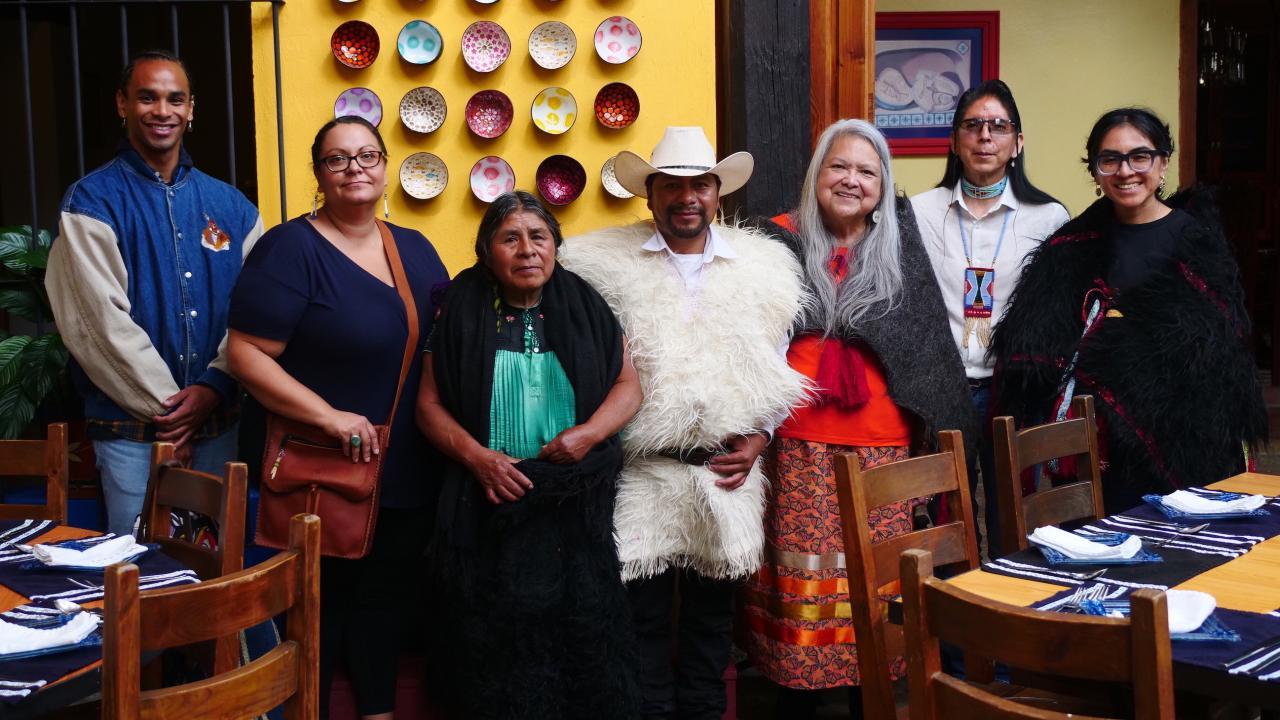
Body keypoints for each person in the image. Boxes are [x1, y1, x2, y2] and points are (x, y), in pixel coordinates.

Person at [559, 126, 810, 720]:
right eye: (671, 185)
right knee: (639, 620)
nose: (686, 197)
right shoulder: (601, 266)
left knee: (708, 624)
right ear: (649, 195)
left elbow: (775, 368)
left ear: (718, 193)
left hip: (725, 470)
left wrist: (759, 437)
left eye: (699, 184)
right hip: (640, 471)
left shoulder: (764, 268)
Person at [741, 119, 973, 719]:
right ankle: (796, 700)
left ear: (883, 183)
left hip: (881, 447)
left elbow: (925, 349)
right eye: (838, 167)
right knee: (802, 586)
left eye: (867, 171)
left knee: (871, 587)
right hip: (794, 443)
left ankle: (862, 700)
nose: (851, 180)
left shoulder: (902, 247)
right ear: (816, 175)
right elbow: (746, 337)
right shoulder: (775, 242)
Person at [226, 116, 448, 720]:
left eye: (367, 155)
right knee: (318, 613)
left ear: (385, 166)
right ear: (319, 174)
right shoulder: (290, 248)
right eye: (337, 159)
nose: (355, 168)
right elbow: (244, 354)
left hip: (404, 466)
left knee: (385, 606)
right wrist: (328, 417)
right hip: (324, 468)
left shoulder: (415, 247)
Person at [419, 190, 643, 719]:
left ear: (556, 247)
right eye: (510, 238)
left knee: (583, 641)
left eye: (539, 237)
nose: (527, 250)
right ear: (486, 251)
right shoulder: (458, 310)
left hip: (573, 507)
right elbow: (427, 406)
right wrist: (479, 459)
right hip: (489, 503)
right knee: (495, 647)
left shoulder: (588, 305)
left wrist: (589, 434)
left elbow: (629, 385)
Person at [992, 107, 1267, 515]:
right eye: (1110, 159)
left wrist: (1121, 343)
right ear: (1095, 170)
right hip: (1101, 445)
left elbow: (1218, 342)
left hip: (1188, 433)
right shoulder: (1071, 247)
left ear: (1163, 162)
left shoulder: (1196, 241)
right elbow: (1036, 345)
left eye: (1140, 156)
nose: (1126, 171)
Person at [46, 50, 262, 537]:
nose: (161, 111)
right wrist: (171, 413)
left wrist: (214, 388)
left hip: (217, 429)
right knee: (140, 578)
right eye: (146, 97)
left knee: (212, 576)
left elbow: (256, 314)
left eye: (174, 99)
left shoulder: (233, 207)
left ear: (191, 110)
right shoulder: (91, 202)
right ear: (122, 104)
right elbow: (96, 324)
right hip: (129, 438)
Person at [911, 80, 1070, 558]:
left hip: (1012, 391)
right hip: (943, 388)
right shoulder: (918, 212)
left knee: (1014, 517)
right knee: (947, 524)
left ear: (1017, 143)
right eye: (973, 125)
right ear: (955, 141)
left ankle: (1011, 612)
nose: (985, 136)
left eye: (998, 126)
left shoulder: (1048, 217)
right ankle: (954, 624)